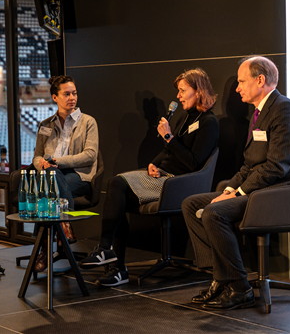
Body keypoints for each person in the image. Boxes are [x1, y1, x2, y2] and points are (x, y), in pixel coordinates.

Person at [181, 56, 290, 310]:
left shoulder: (284, 109)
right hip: (258, 189)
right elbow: (249, 164)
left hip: (278, 194)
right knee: (191, 204)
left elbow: (276, 166)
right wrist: (229, 189)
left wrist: (237, 193)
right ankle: (220, 278)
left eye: (241, 81)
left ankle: (240, 287)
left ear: (260, 80)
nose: (237, 88)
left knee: (214, 213)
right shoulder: (259, 113)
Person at [78, 68, 220, 287]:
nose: (178, 96)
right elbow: (171, 150)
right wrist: (154, 162)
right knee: (117, 191)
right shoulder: (186, 117)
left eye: (183, 91)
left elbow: (194, 162)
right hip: (163, 176)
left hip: (178, 183)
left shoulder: (209, 122)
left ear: (198, 91)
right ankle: (115, 267)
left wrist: (169, 137)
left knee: (117, 185)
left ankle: (108, 254)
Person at [32, 75, 99, 272]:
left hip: (79, 175)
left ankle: (43, 253)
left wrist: (55, 163)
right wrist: (42, 164)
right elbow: (36, 157)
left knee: (47, 183)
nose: (72, 98)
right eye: (67, 94)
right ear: (55, 97)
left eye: (74, 93)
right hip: (51, 175)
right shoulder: (45, 124)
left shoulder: (88, 122)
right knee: (49, 178)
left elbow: (90, 155)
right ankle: (64, 226)